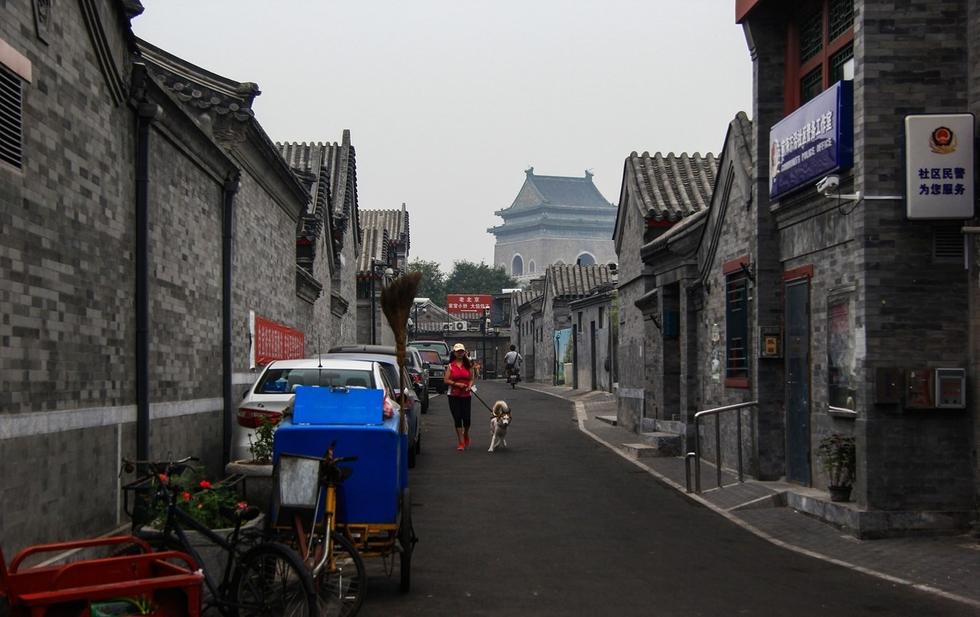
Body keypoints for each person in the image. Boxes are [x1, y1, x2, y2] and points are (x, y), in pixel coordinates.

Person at [444, 342, 476, 450]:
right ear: (454, 352)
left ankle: (466, 433)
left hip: (466, 394)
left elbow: (471, 378)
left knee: (467, 419)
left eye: (461, 351)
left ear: (464, 352)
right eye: (458, 351)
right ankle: (461, 442)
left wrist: (469, 386)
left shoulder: (469, 365)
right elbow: (446, 380)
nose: (460, 353)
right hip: (453, 395)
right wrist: (457, 384)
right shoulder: (450, 366)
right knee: (457, 417)